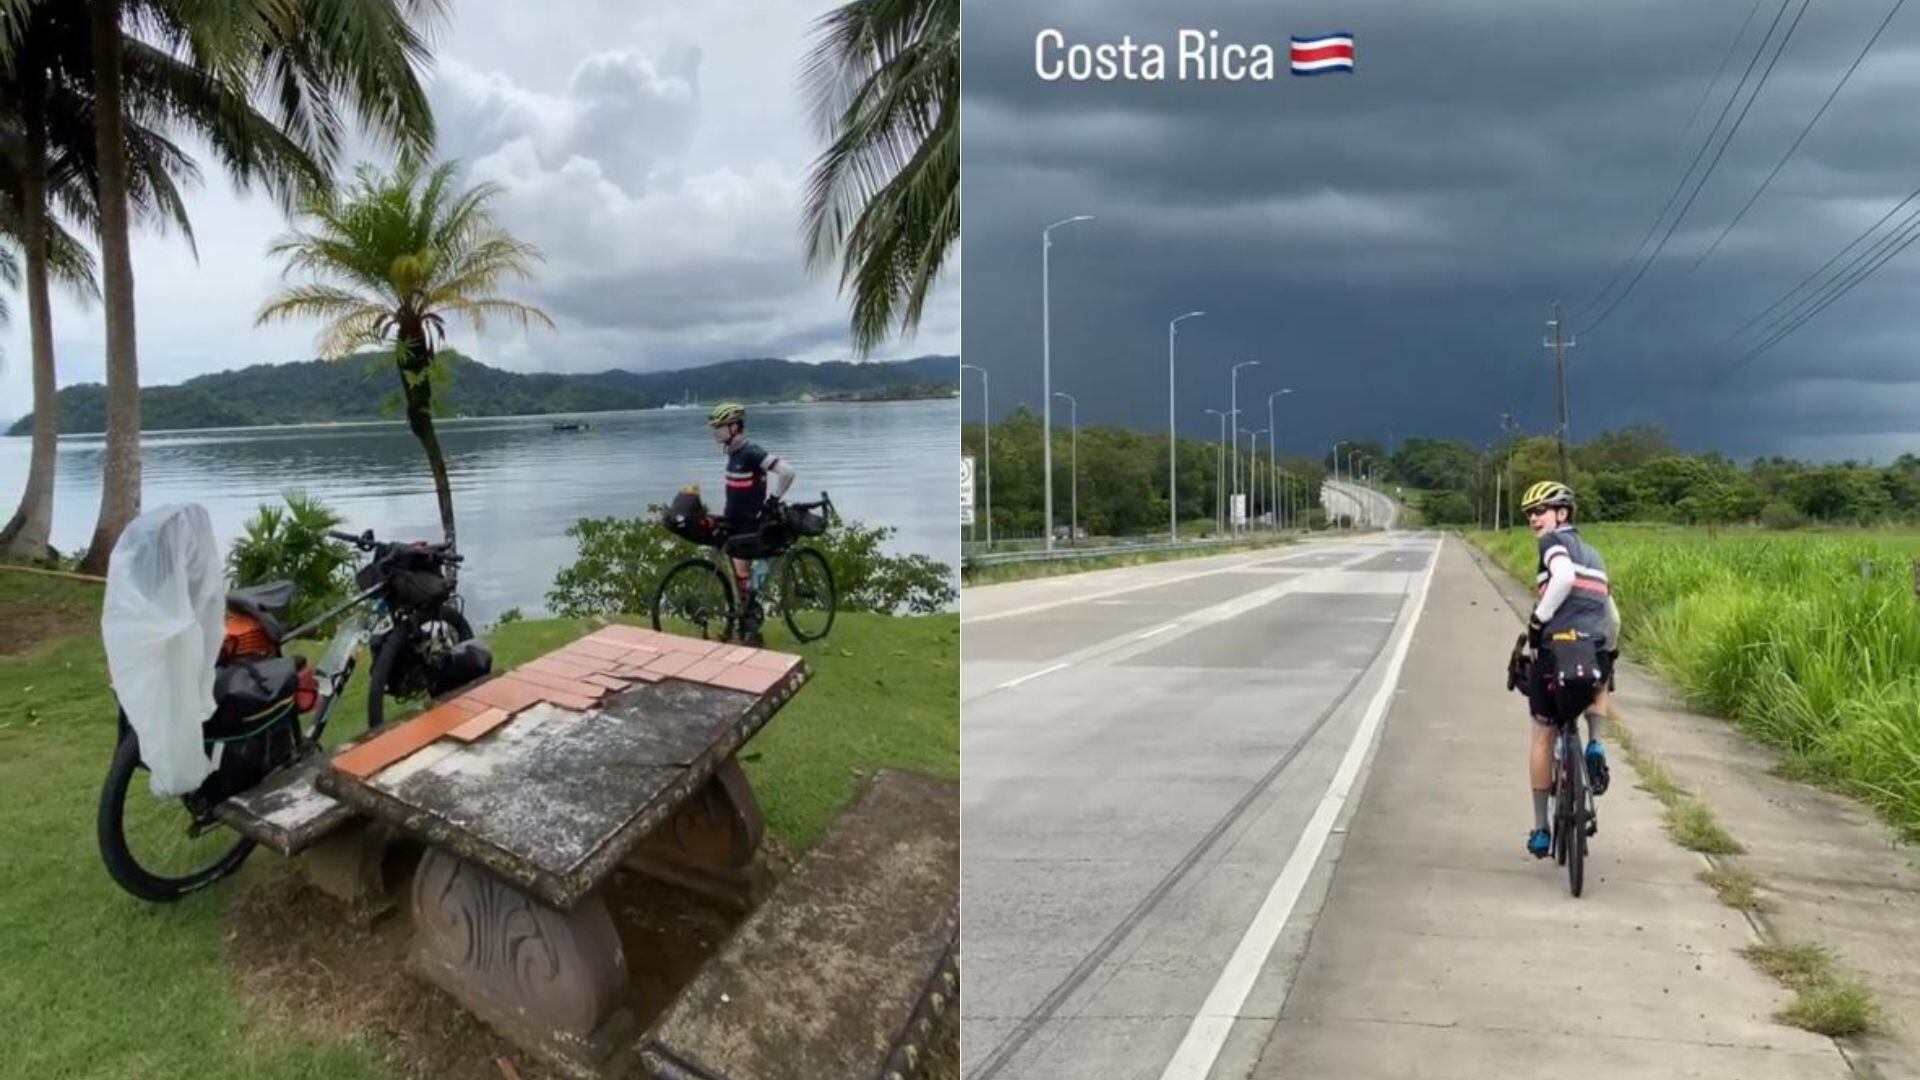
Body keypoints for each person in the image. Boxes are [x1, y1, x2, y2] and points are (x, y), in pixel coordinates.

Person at [1517, 479, 1621, 859]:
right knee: (1602, 673)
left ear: (1562, 514)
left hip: (1555, 653)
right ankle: (1595, 742)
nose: (1533, 519)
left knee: (1542, 736)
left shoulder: (1552, 543)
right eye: (1529, 514)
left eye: (1540, 511)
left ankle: (1541, 829)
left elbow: (1562, 578)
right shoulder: (1595, 556)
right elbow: (1612, 617)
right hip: (1593, 648)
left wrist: (1537, 620)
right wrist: (1610, 652)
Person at [707, 402, 795, 646]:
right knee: (741, 579)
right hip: (734, 522)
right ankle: (744, 625)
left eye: (720, 427)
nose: (715, 432)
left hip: (749, 524)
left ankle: (746, 627)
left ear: (735, 427)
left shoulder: (751, 452)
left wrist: (773, 499)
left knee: (746, 576)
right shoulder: (733, 453)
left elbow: (787, 471)